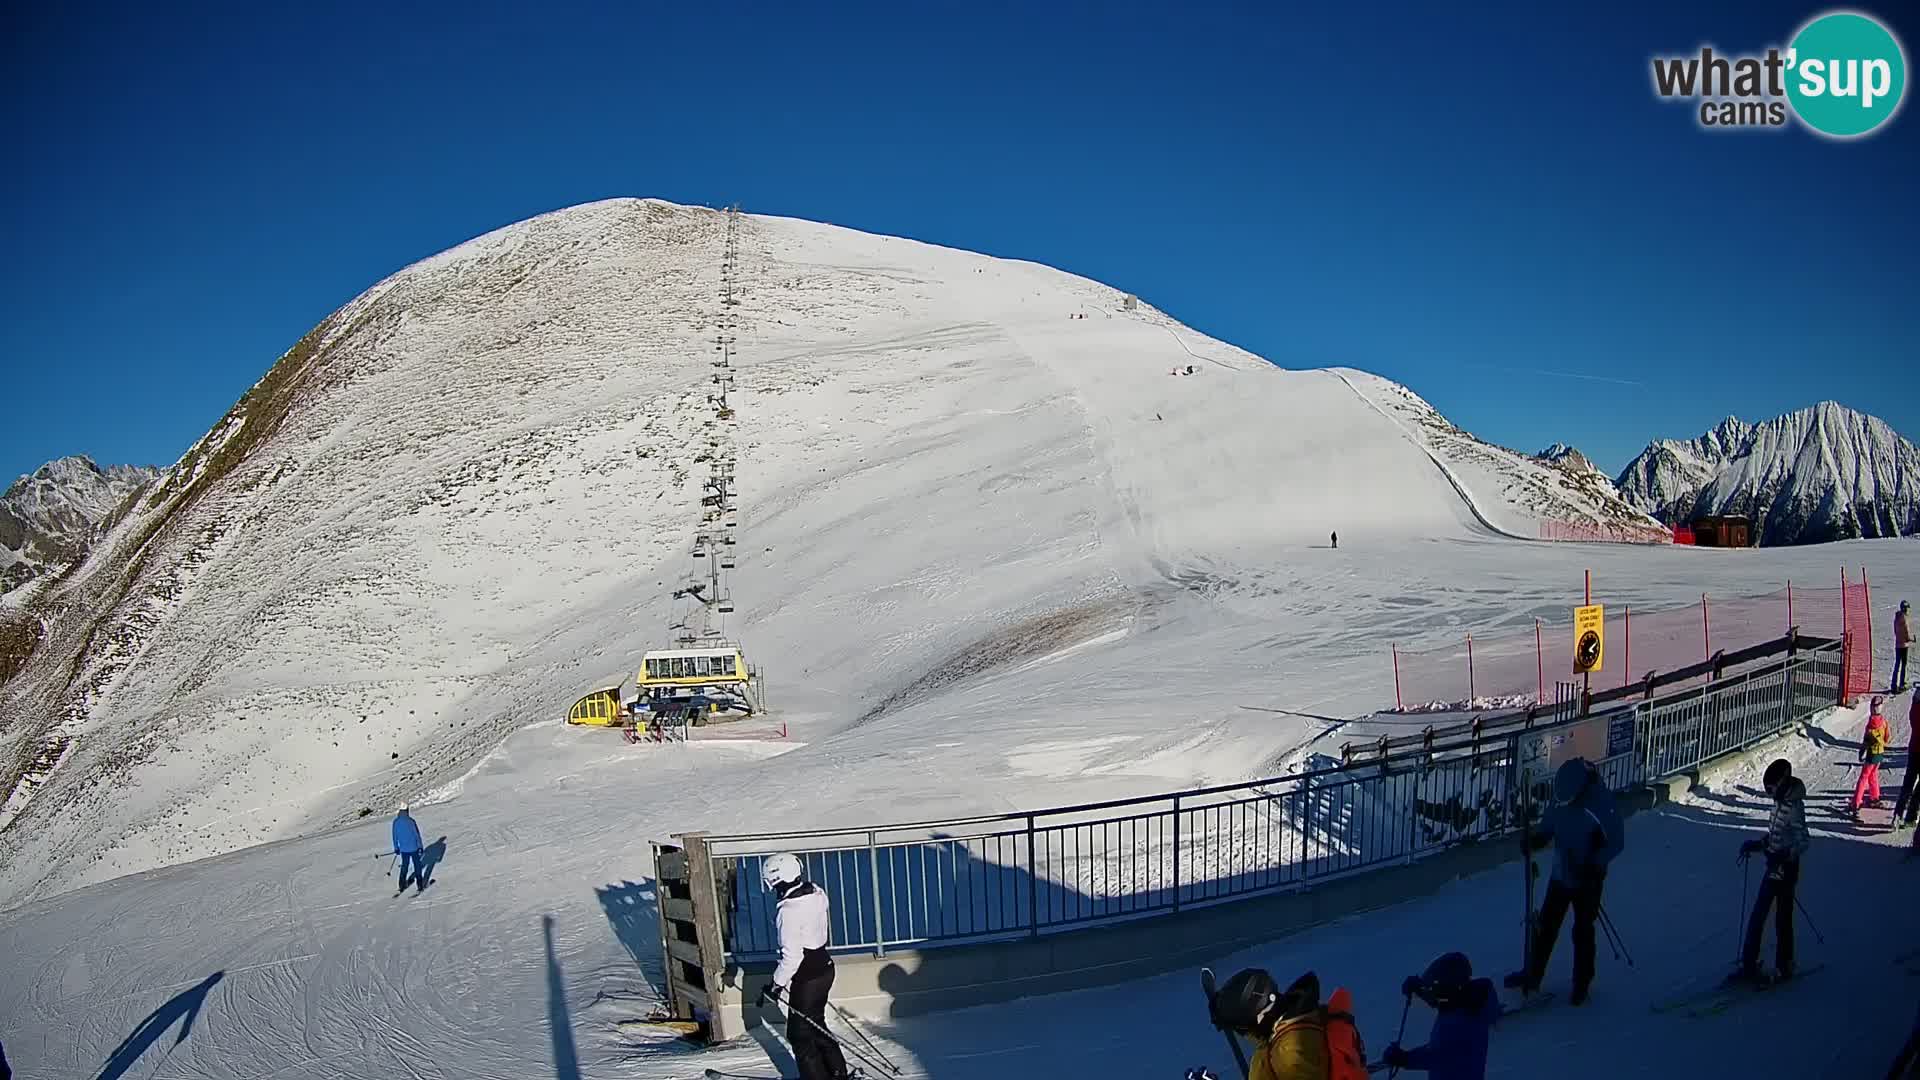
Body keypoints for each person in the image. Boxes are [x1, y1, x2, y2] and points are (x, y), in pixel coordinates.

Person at [1505, 757, 1624, 1005]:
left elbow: (1616, 841)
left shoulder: (1602, 803)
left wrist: (1595, 863)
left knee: (1582, 929)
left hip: (1588, 878)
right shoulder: (1561, 795)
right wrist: (1537, 840)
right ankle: (1533, 974)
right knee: (1546, 925)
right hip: (1562, 872)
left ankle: (1582, 983)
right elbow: (1551, 822)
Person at [756, 853, 849, 1080]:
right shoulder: (816, 892)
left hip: (807, 977)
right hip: (825, 968)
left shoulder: (788, 912)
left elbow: (792, 957)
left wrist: (776, 985)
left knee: (799, 1035)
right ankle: (837, 1073)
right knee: (816, 1023)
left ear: (778, 879)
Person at [1207, 969, 1368, 1080]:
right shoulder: (1307, 1019)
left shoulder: (1290, 1052)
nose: (1242, 1035)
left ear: (1257, 1019)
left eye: (1241, 1029)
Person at [1732, 758, 1810, 984]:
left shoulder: (1794, 806)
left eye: (1772, 789)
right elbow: (1776, 835)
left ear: (1783, 784)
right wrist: (1758, 845)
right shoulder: (1779, 803)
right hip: (1773, 868)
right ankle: (1749, 963)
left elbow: (1803, 840)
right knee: (1758, 916)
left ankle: (1785, 965)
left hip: (1786, 871)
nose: (1770, 794)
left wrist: (1785, 856)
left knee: (1782, 919)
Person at [1383, 952, 1501, 1080]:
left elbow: (1440, 1057)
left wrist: (1405, 1058)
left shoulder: (1465, 1021)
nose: (1435, 992)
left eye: (1437, 988)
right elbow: (1441, 999)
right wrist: (1420, 988)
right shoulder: (1465, 1003)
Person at [1854, 697, 1890, 817]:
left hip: (1871, 754)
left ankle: (1856, 803)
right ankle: (1875, 797)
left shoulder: (1870, 726)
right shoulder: (1884, 722)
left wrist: (1861, 751)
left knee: (1864, 777)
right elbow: (1887, 738)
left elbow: (1866, 742)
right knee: (1873, 775)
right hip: (1880, 754)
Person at [1895, 694, 1920, 831]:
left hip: (1914, 747)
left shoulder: (1915, 702)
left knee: (1908, 782)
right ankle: (1910, 816)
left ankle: (1897, 813)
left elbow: (1912, 720)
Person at [392, 804, 425, 894]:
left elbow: (395, 836)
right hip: (414, 848)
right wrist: (420, 846)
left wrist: (396, 847)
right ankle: (420, 885)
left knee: (404, 866)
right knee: (417, 865)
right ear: (407, 810)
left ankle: (401, 885)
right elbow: (416, 835)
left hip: (403, 849)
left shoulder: (396, 822)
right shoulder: (411, 821)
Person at [1894, 601, 1912, 692]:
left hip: (1898, 644)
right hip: (1904, 645)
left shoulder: (1896, 618)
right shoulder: (1904, 619)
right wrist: (1910, 639)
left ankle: (1894, 685)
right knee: (1903, 665)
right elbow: (1906, 632)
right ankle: (1902, 684)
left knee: (1897, 665)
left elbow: (1896, 631)